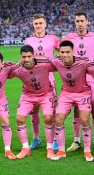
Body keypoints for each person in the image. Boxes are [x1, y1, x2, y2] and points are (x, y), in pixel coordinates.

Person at [65, 12, 94, 153]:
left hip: (93, 78)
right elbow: (62, 51)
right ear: (75, 22)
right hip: (76, 78)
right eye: (77, 21)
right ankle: (77, 140)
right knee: (77, 109)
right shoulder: (69, 37)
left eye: (82, 20)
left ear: (87, 22)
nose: (80, 23)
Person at [8, 45, 57, 159]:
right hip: (28, 95)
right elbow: (8, 75)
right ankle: (25, 148)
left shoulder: (44, 62)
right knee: (20, 118)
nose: (26, 59)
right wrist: (18, 64)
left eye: (29, 56)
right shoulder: (18, 68)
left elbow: (59, 65)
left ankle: (50, 149)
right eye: (24, 57)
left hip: (46, 94)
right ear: (21, 57)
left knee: (48, 118)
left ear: (33, 55)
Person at [50, 40, 94, 162]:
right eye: (62, 52)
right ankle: (61, 150)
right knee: (58, 118)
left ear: (72, 52)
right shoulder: (56, 61)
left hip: (83, 93)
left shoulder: (83, 61)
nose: (64, 55)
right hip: (67, 93)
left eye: (67, 52)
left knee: (85, 119)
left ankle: (87, 150)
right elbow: (40, 60)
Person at [24, 13, 60, 150]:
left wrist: (55, 59)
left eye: (40, 23)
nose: (38, 26)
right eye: (36, 24)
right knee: (34, 110)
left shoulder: (53, 39)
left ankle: (55, 139)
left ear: (45, 24)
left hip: (48, 78)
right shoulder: (28, 40)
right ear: (33, 25)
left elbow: (64, 51)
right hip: (32, 78)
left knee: (53, 110)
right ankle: (36, 138)